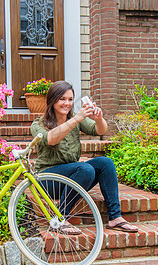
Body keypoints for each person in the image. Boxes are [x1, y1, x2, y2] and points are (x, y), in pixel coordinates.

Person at [30, 80, 138, 235]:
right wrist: (76, 119)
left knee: (105, 162)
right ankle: (60, 218)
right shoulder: (39, 123)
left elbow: (100, 130)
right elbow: (50, 139)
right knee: (85, 169)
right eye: (62, 99)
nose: (67, 103)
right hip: (48, 180)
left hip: (74, 176)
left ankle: (115, 217)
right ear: (52, 100)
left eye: (70, 99)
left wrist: (98, 118)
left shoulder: (74, 118)